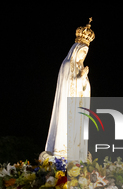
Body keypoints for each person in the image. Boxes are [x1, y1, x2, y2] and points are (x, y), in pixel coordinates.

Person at [44, 19, 93, 161]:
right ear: (75, 51)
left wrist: (84, 80)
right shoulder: (67, 65)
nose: (83, 56)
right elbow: (67, 85)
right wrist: (80, 78)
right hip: (67, 110)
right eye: (82, 53)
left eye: (85, 54)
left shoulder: (80, 68)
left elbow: (85, 91)